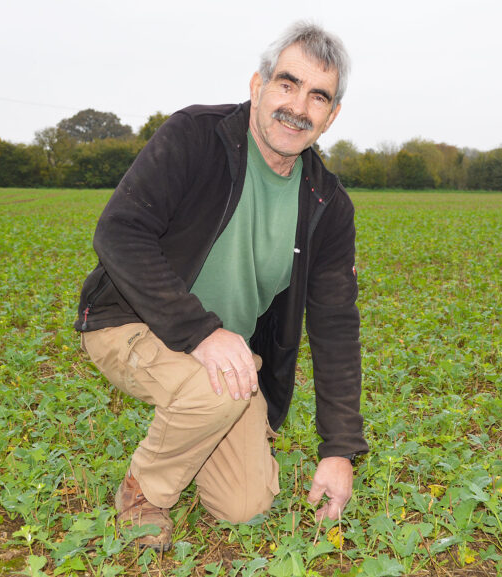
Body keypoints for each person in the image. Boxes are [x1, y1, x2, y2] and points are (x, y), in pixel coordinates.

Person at [74, 21, 367, 552]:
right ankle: (144, 493)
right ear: (257, 86)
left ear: (331, 116)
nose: (298, 106)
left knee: (245, 505)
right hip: (132, 322)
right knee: (215, 387)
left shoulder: (328, 206)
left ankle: (199, 425)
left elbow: (336, 327)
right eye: (287, 83)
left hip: (225, 353)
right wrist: (202, 333)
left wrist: (339, 450)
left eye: (317, 96)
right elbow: (120, 231)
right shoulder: (196, 136)